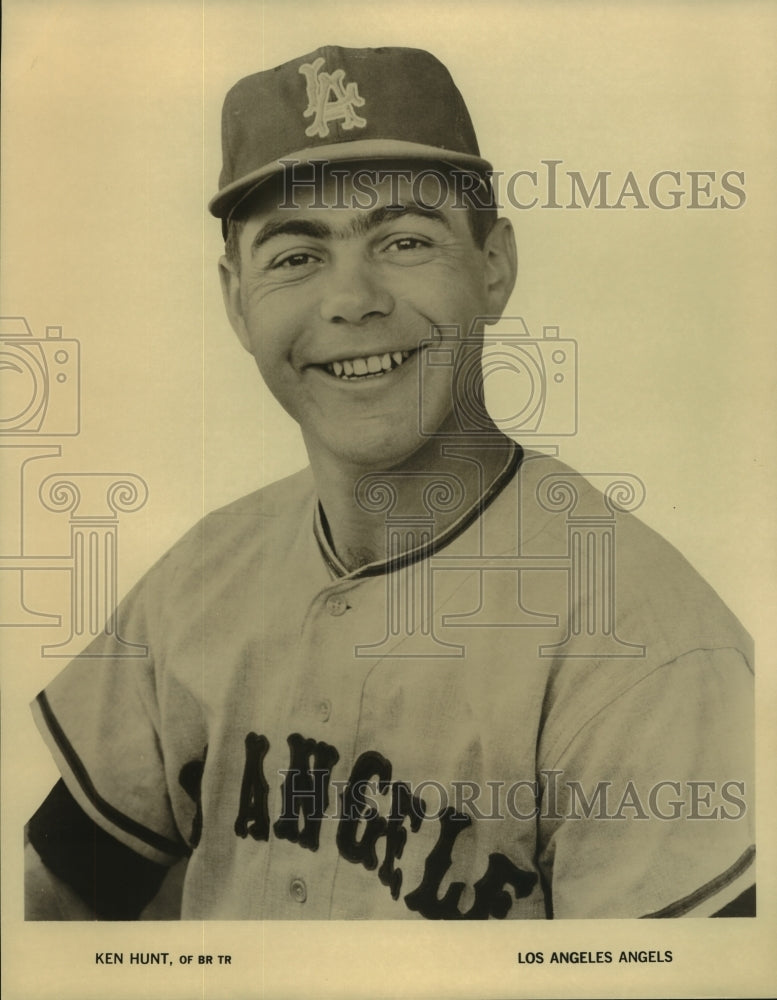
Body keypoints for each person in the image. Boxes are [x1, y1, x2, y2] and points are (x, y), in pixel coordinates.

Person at [24, 45, 754, 920]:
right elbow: (57, 903)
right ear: (235, 301)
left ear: (493, 266)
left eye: (404, 240)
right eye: (294, 256)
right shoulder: (199, 577)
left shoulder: (645, 647)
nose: (352, 300)